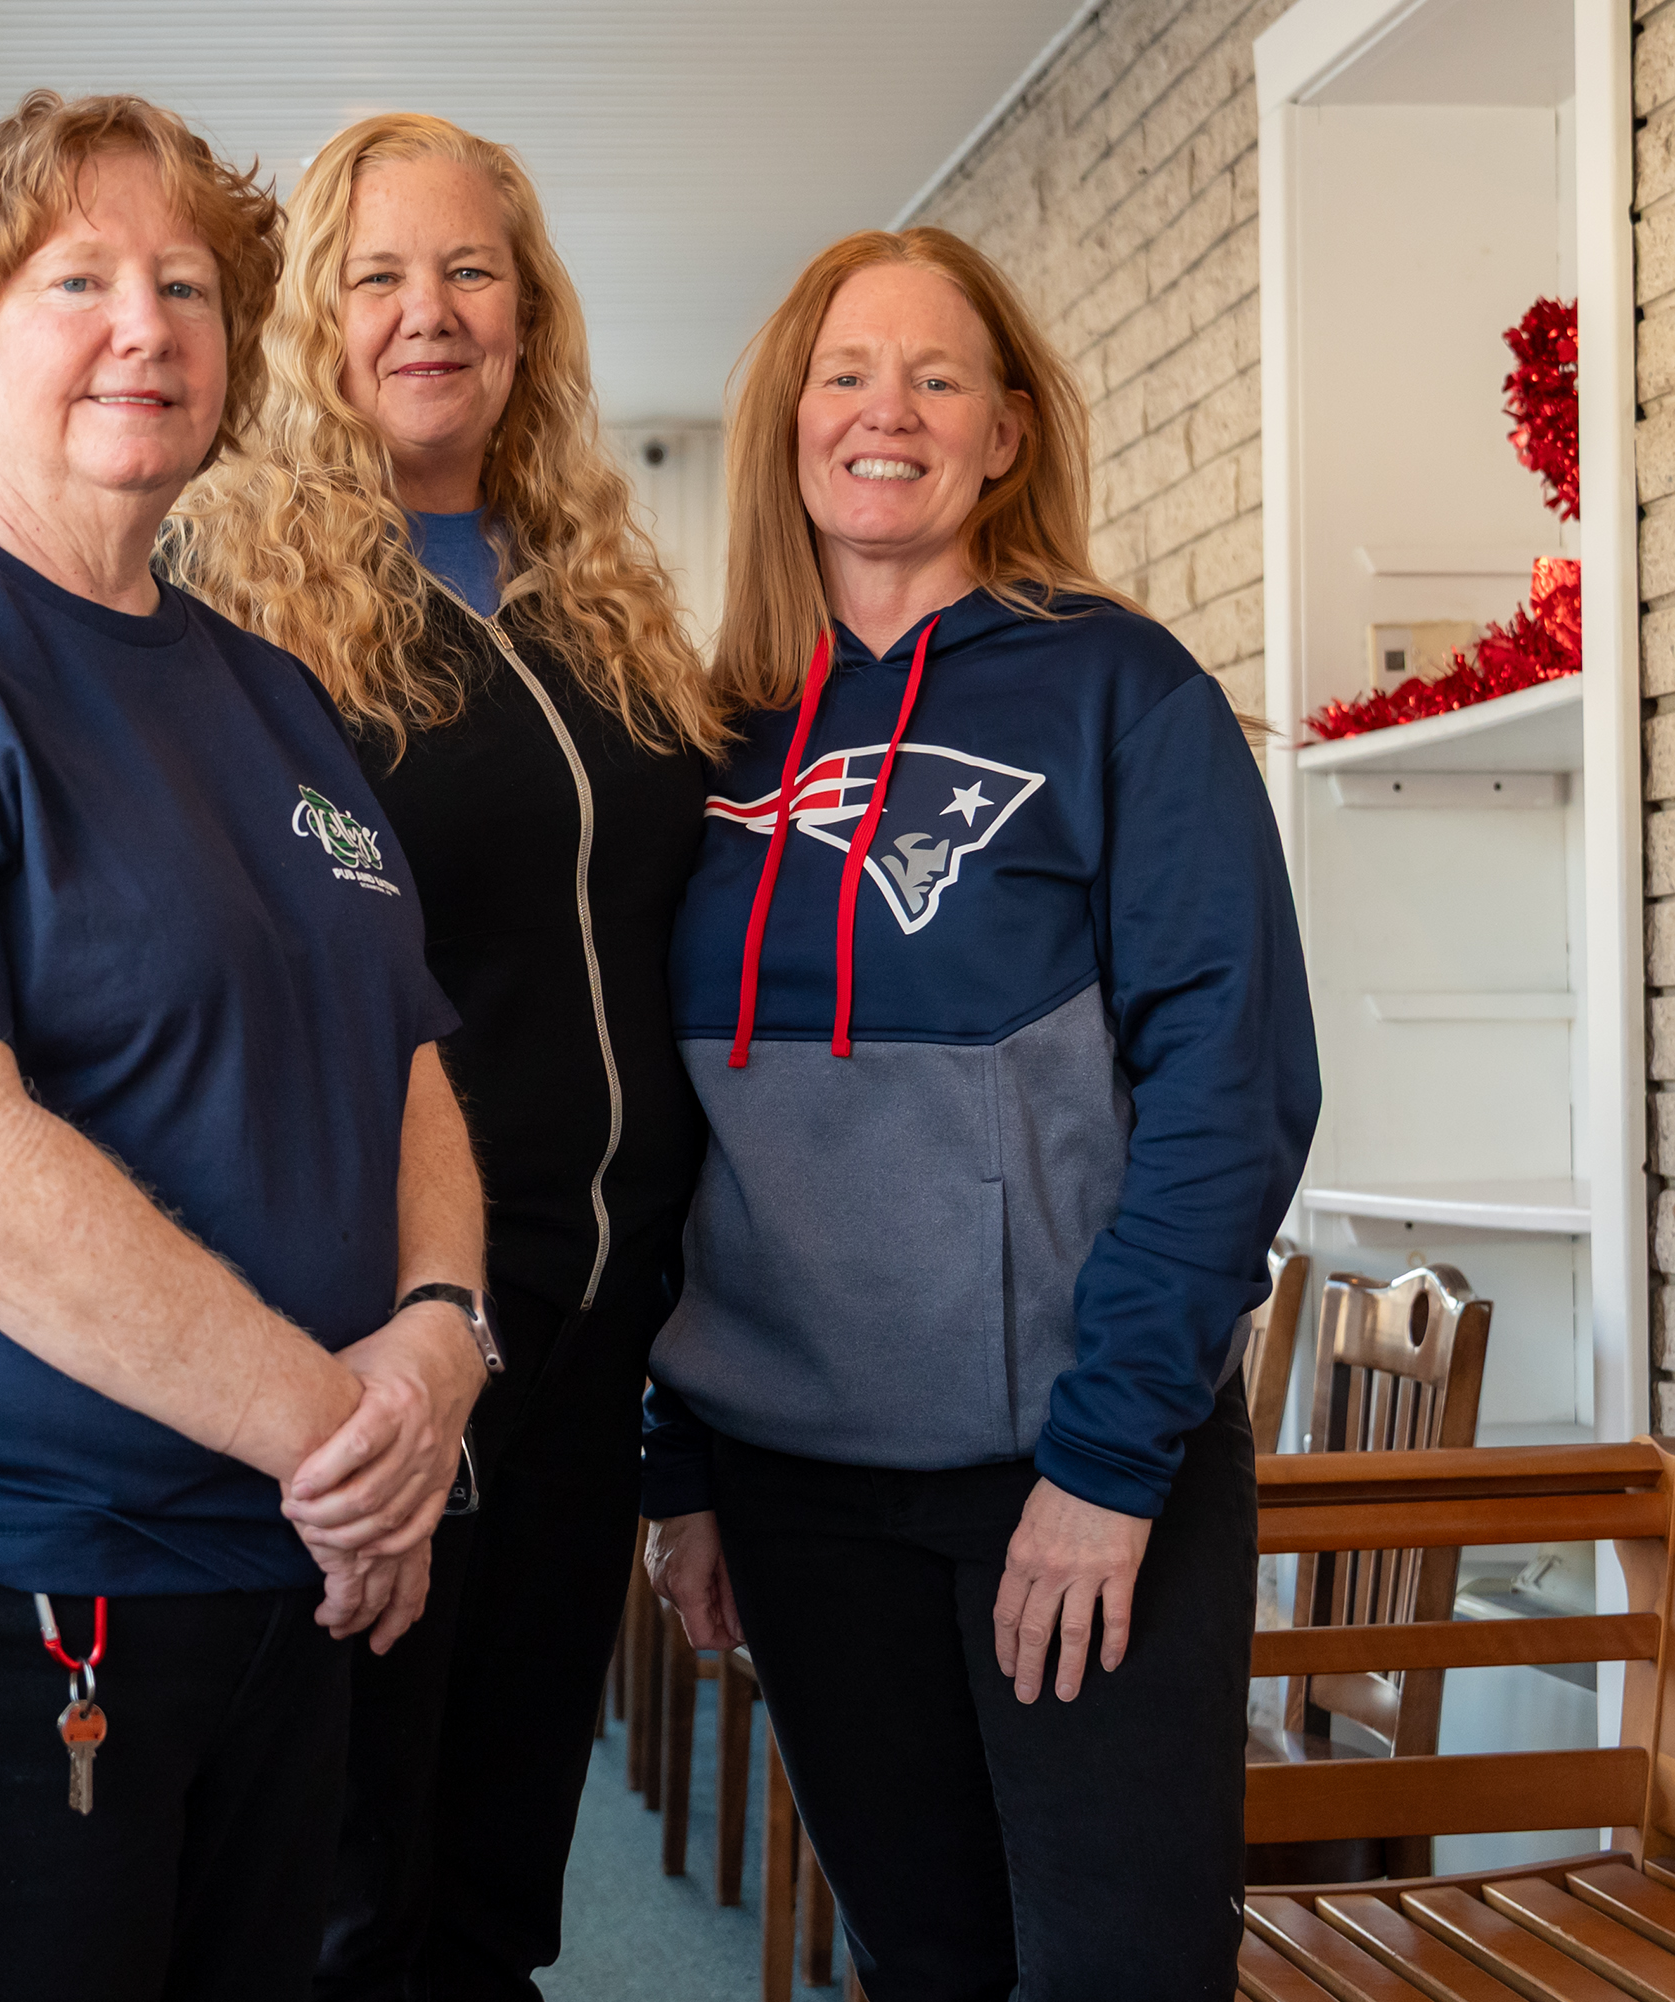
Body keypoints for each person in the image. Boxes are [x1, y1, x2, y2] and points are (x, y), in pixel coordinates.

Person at [0, 90, 493, 2002]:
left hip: (258, 1563)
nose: (148, 325)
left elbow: (410, 1060)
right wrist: (344, 1441)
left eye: (190, 286)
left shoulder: (270, 695)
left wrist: (445, 1327)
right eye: (78, 281)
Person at [639, 226, 1318, 1998]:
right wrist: (684, 1460)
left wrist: (1109, 1461)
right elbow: (667, 1131)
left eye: (939, 376)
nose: (888, 411)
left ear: (1007, 432)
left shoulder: (1120, 689)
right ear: (791, 424)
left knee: (1115, 1970)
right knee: (918, 1958)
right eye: (846, 374)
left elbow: (1233, 1092)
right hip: (801, 1489)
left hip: (1071, 1470)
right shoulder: (718, 737)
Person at [170, 111, 723, 2002]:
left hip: (592, 1329)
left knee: (500, 1877)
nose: (429, 312)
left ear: (529, 311)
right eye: (377, 275)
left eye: (470, 270)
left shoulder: (604, 599)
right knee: (351, 1880)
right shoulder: (241, 610)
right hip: (384, 1333)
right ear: (312, 322)